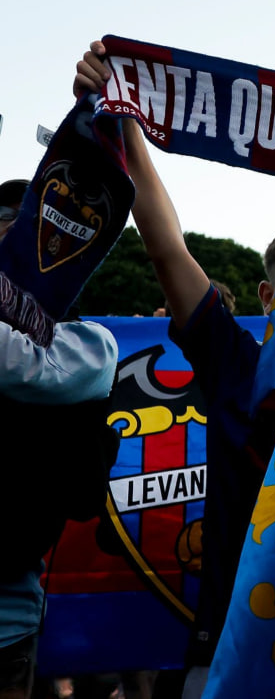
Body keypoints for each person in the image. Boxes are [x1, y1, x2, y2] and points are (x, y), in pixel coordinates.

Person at [74, 43, 275, 699]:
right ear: (266, 299)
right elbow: (166, 247)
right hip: (231, 655)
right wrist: (126, 121)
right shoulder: (238, 363)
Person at [0, 178, 119, 699]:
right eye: (11, 222)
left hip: (7, 621)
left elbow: (24, 365)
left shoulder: (89, 345)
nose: (23, 237)